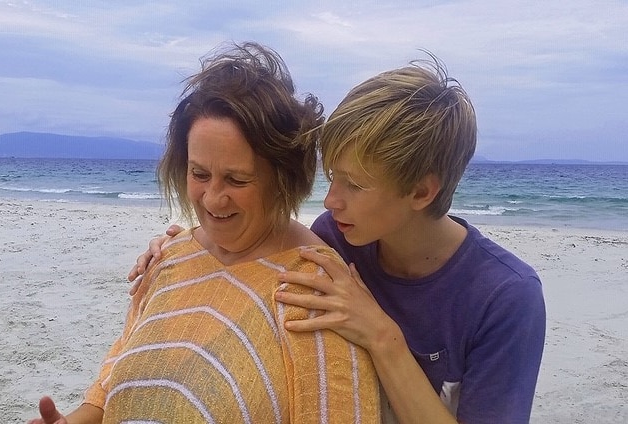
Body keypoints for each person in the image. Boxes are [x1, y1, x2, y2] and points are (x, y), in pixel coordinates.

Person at [129, 54, 546, 424]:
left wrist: (383, 337)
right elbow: (256, 244)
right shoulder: (336, 239)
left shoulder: (505, 297)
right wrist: (183, 244)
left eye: (355, 185)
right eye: (332, 178)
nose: (330, 200)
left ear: (421, 191)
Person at [28, 42, 381, 424]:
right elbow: (107, 393)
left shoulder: (316, 289)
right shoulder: (169, 258)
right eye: (199, 173)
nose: (213, 198)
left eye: (237, 178)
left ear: (282, 180)